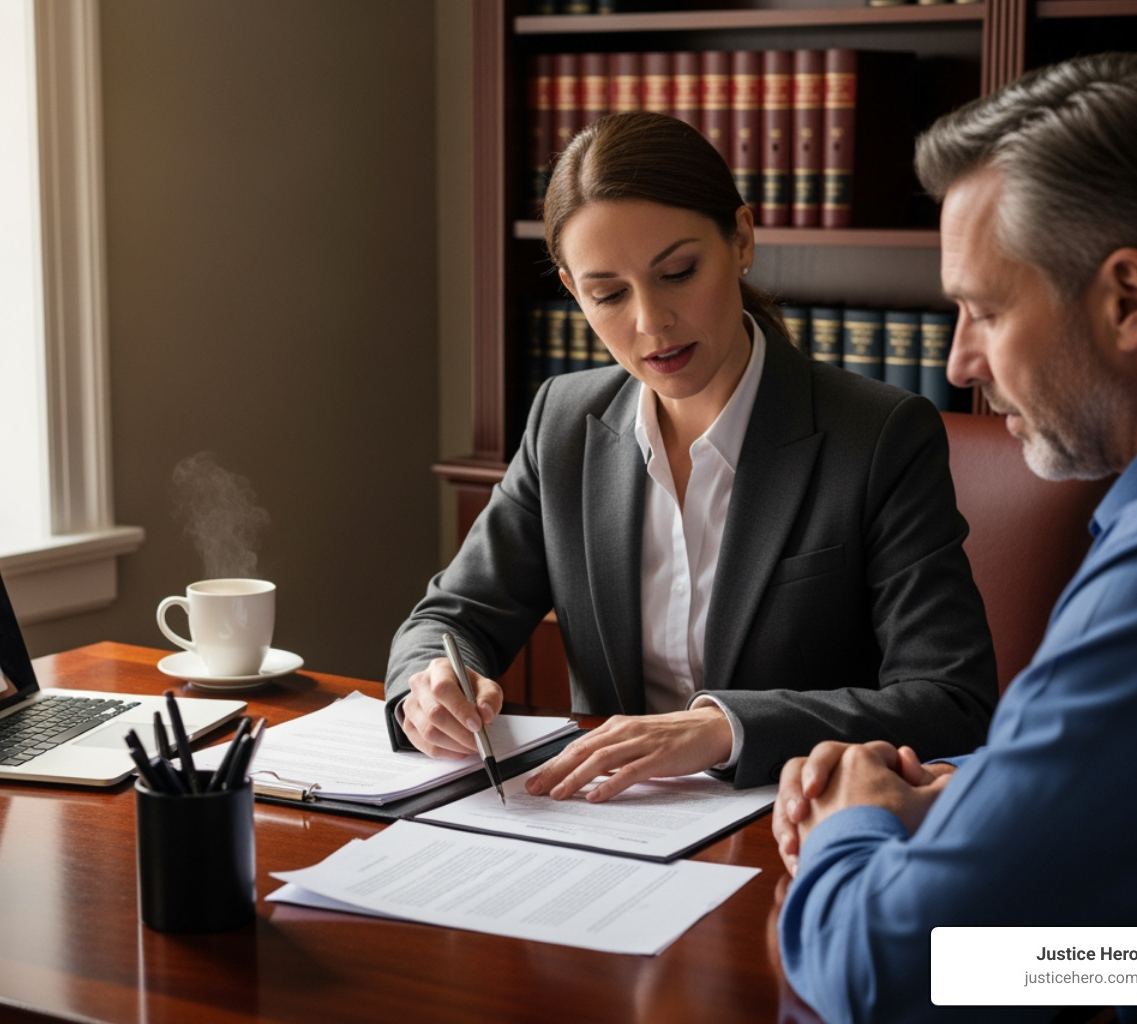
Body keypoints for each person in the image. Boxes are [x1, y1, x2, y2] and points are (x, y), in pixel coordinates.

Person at [774, 52, 1137, 1023]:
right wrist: (975, 794)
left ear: (1127, 300)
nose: (959, 361)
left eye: (984, 308)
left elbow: (884, 973)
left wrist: (849, 826)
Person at [383, 110, 996, 800]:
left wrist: (724, 727)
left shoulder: (880, 435)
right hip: (604, 825)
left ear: (740, 239)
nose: (650, 322)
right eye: (607, 294)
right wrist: (433, 686)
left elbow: (951, 700)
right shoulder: (565, 421)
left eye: (678, 272)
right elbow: (449, 620)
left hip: (794, 825)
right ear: (571, 289)